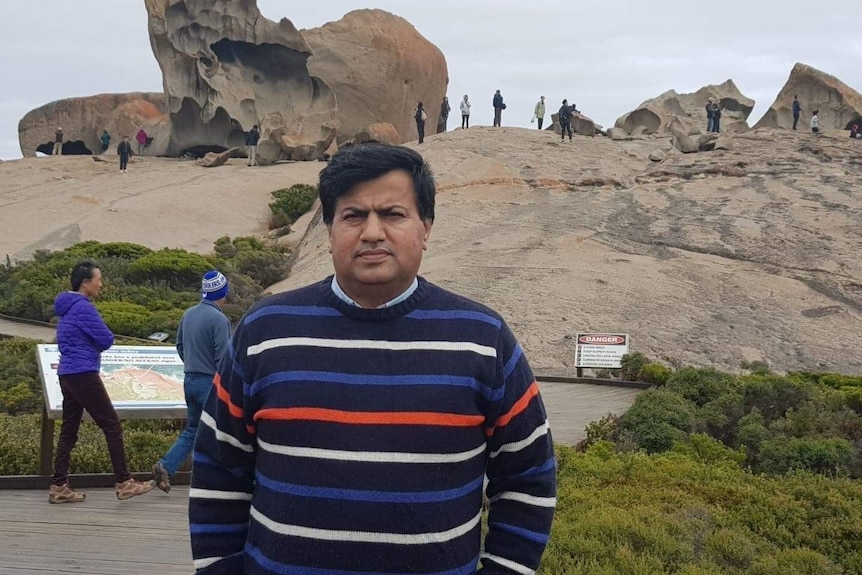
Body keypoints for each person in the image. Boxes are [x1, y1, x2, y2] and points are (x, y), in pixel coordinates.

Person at [189, 143, 557, 575]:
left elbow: (528, 477)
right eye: (353, 215)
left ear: (427, 227)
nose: (372, 232)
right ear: (329, 231)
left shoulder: (483, 338)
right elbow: (218, 470)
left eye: (393, 214)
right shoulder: (264, 330)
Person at [49, 260, 155, 504]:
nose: (101, 283)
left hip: (67, 373)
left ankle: (58, 485)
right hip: (84, 373)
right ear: (85, 282)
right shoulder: (83, 308)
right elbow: (106, 339)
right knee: (112, 425)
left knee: (69, 430)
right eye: (98, 279)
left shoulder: (66, 308)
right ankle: (124, 482)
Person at [151, 271, 231, 494]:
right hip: (210, 383)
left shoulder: (188, 314)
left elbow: (179, 346)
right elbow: (223, 358)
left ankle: (166, 466)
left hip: (190, 380)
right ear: (222, 292)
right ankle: (210, 480)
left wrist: (192, 364)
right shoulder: (219, 320)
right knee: (218, 431)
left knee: (193, 429)